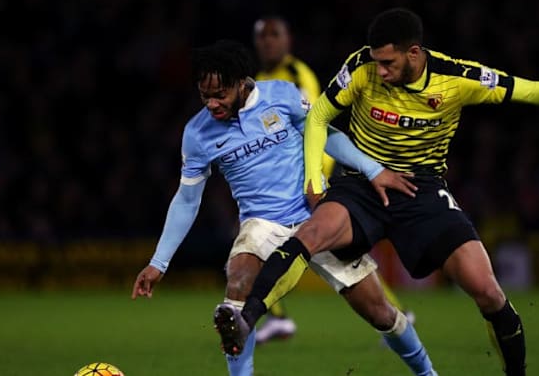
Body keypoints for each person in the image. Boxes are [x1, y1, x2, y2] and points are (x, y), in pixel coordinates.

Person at [218, 8, 539, 376]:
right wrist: (314, 180)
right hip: (361, 185)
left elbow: (533, 91)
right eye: (376, 61)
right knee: (311, 232)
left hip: (422, 191)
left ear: (415, 53)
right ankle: (246, 317)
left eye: (389, 62)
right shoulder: (360, 67)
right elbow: (318, 117)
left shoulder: (458, 78)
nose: (380, 70)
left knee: (488, 292)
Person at [130, 39, 438, 376]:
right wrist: (158, 262)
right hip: (262, 224)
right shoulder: (198, 134)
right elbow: (187, 199)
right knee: (237, 289)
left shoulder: (282, 94)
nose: (212, 104)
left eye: (220, 94)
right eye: (205, 96)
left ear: (241, 82)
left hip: (316, 219)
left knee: (381, 312)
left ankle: (427, 373)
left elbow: (327, 135)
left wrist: (373, 169)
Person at [251, 15, 416, 344]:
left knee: (299, 245)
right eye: (263, 36)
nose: (268, 41)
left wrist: (316, 182)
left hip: (310, 176)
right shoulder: (259, 79)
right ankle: (278, 316)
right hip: (285, 177)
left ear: (288, 40)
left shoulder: (297, 76)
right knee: (313, 250)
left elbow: (316, 124)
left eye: (275, 34)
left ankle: (393, 312)